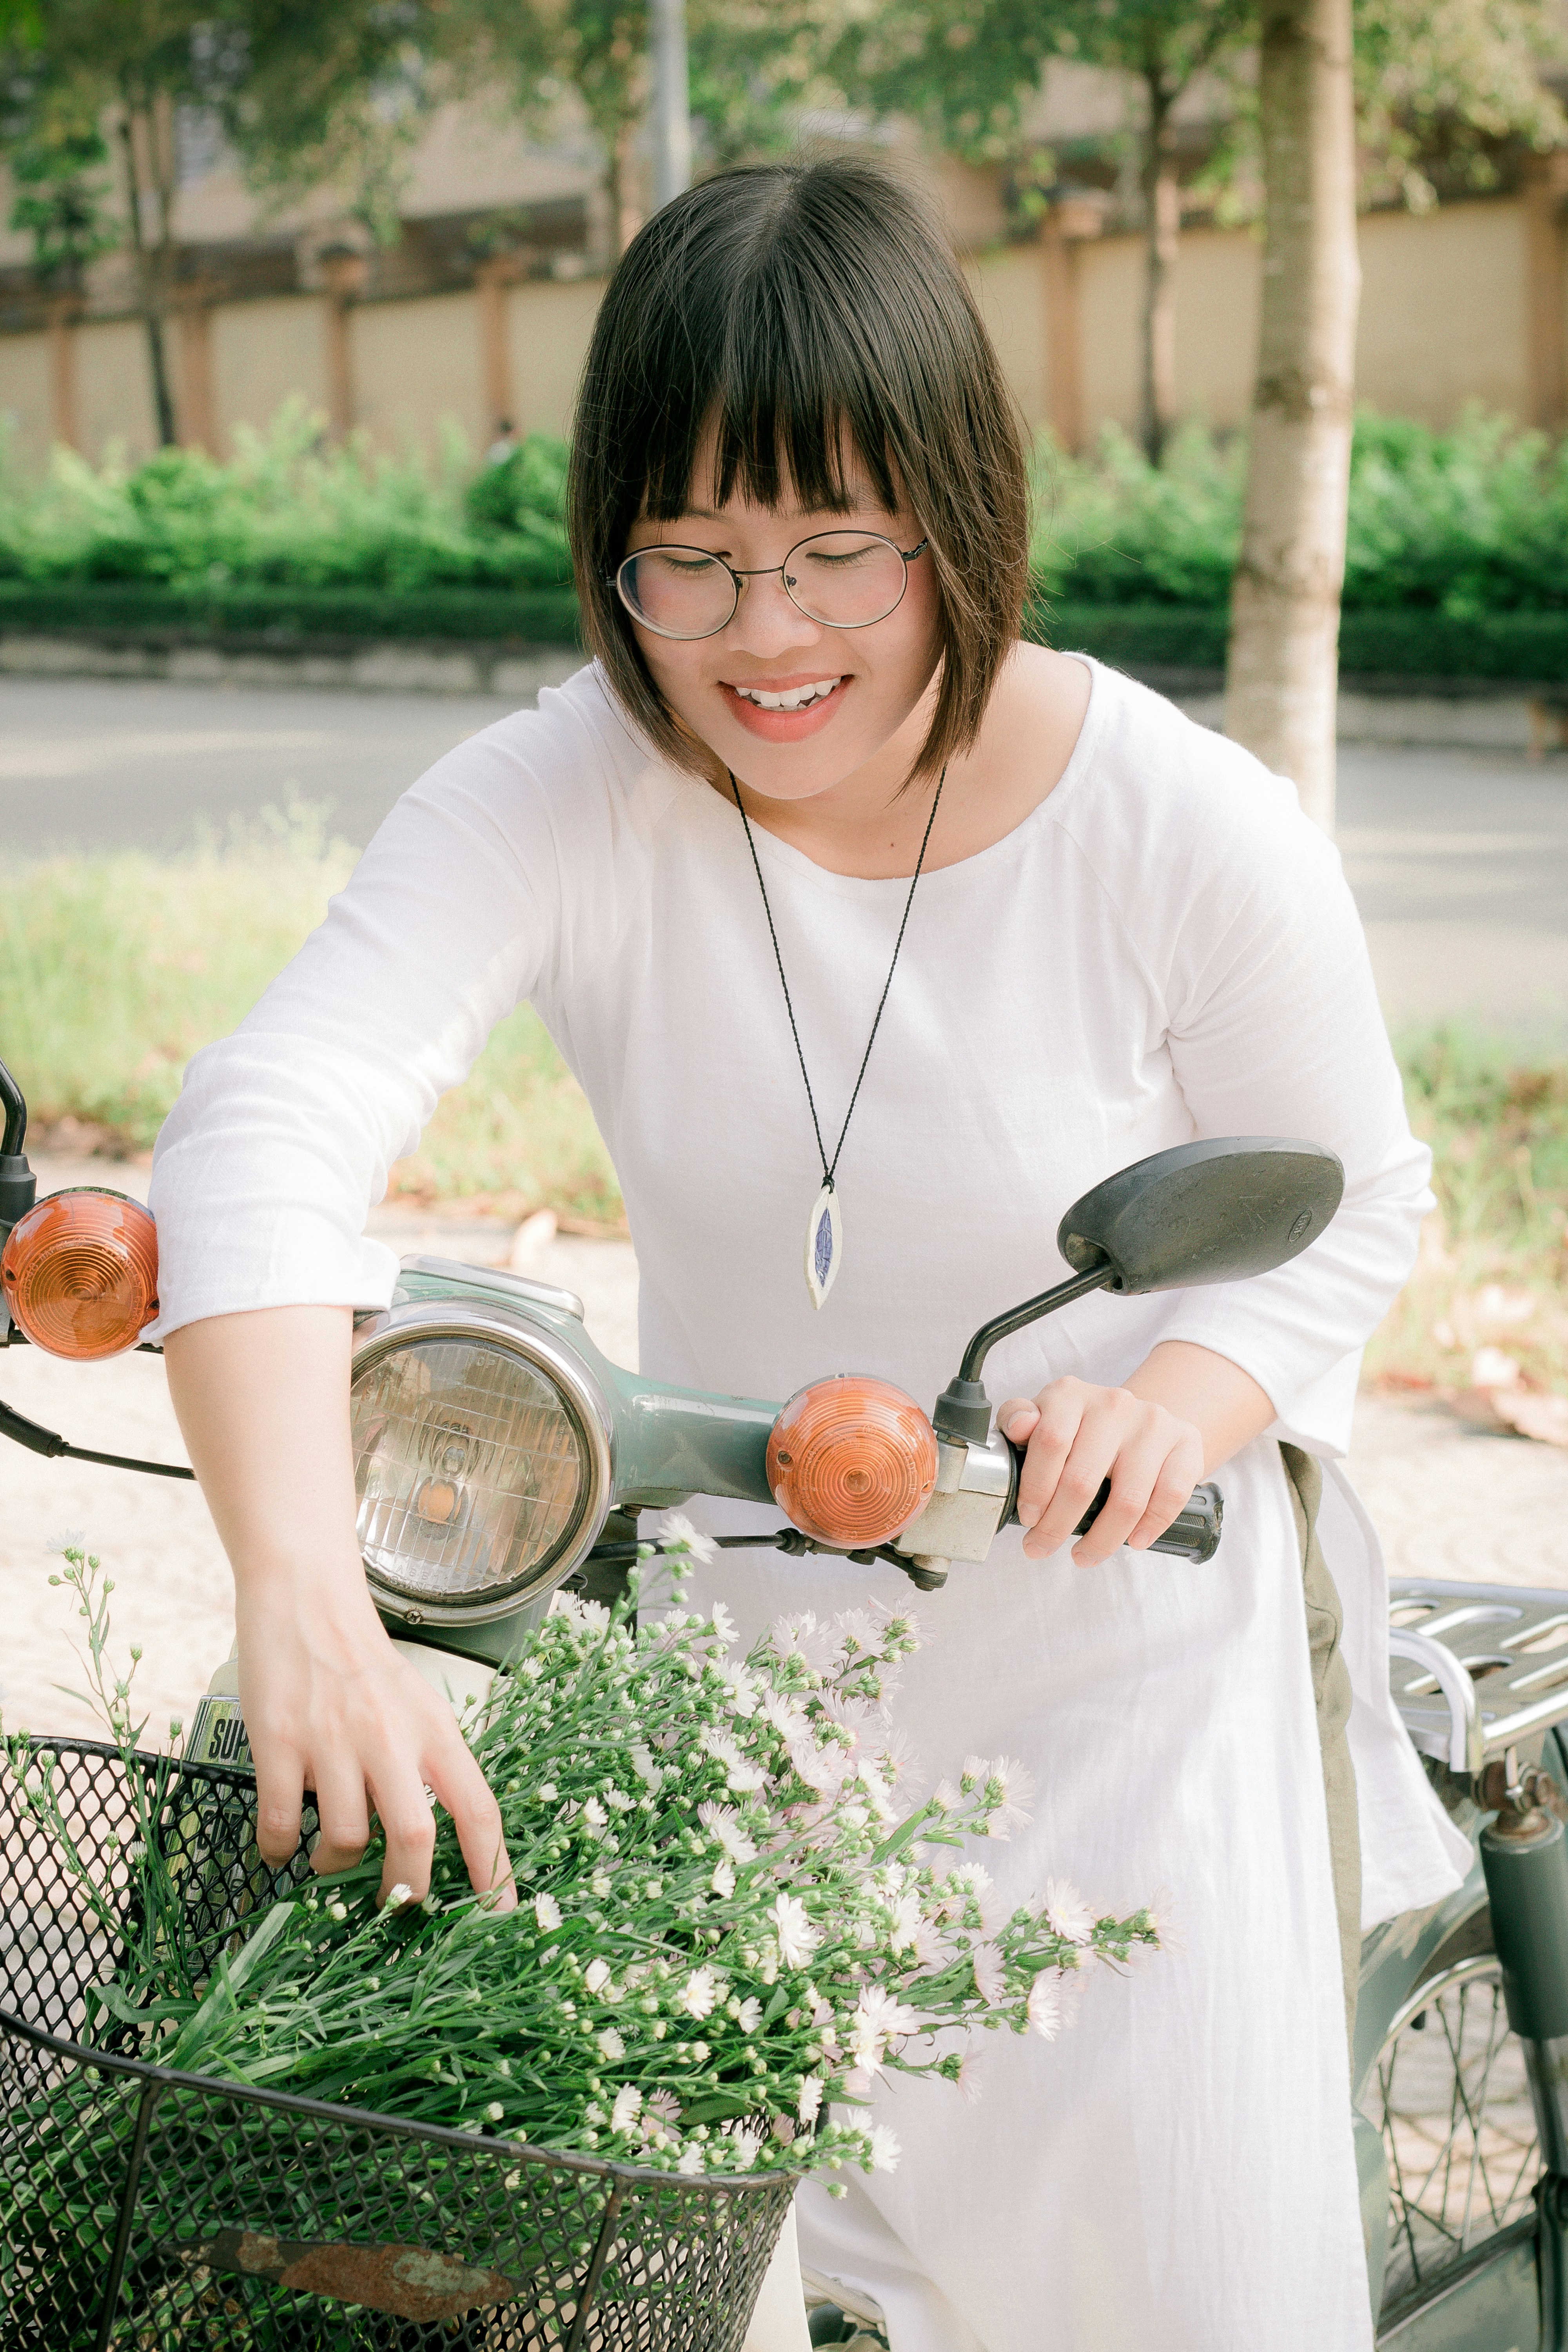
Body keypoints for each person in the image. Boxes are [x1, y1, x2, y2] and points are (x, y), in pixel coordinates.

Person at [149, 156, 1470, 2350]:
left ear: (956, 507)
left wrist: (1179, 1397)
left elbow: (1360, 1200)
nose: (767, 637)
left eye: (838, 550)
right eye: (690, 560)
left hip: (1127, 1679)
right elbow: (272, 1122)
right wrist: (297, 1593)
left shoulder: (1176, 824)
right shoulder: (566, 789)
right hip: (755, 1715)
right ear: (615, 550)